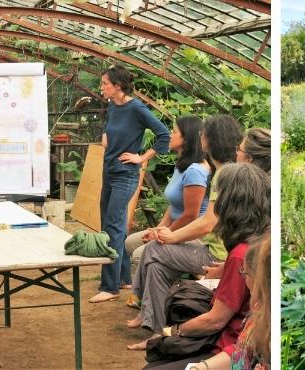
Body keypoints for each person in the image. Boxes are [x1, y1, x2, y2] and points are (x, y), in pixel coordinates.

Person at [126, 115, 243, 350]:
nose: (201, 138)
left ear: (211, 139)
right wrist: (164, 231)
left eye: (204, 134)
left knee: (153, 249)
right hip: (215, 248)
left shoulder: (222, 175)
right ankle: (157, 331)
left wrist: (171, 236)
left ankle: (143, 309)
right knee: (157, 264)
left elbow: (207, 222)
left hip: (216, 253)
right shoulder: (225, 170)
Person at [143, 163, 270, 369]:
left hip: (226, 346)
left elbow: (215, 320)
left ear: (230, 204)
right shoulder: (257, 241)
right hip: (235, 343)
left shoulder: (240, 254)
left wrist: (173, 330)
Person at [90, 64, 170, 303]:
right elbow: (109, 129)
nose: (101, 87)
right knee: (111, 224)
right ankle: (123, 278)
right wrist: (106, 135)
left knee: (112, 227)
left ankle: (110, 286)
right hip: (109, 171)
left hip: (126, 175)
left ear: (118, 86)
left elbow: (163, 134)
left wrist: (141, 157)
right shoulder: (113, 106)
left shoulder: (137, 108)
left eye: (105, 83)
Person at [124, 116, 210, 296]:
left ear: (186, 138)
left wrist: (165, 234)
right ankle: (156, 293)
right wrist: (158, 228)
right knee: (131, 242)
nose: (170, 135)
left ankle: (150, 298)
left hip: (192, 234)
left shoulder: (195, 170)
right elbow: (173, 207)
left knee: (140, 253)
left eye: (174, 131)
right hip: (174, 229)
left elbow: (190, 216)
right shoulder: (182, 165)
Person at [187, 236, 271, 370]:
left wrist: (175, 330)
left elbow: (215, 320)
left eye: (245, 273)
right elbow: (241, 352)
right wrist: (201, 368)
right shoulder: (258, 309)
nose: (244, 279)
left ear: (259, 279)